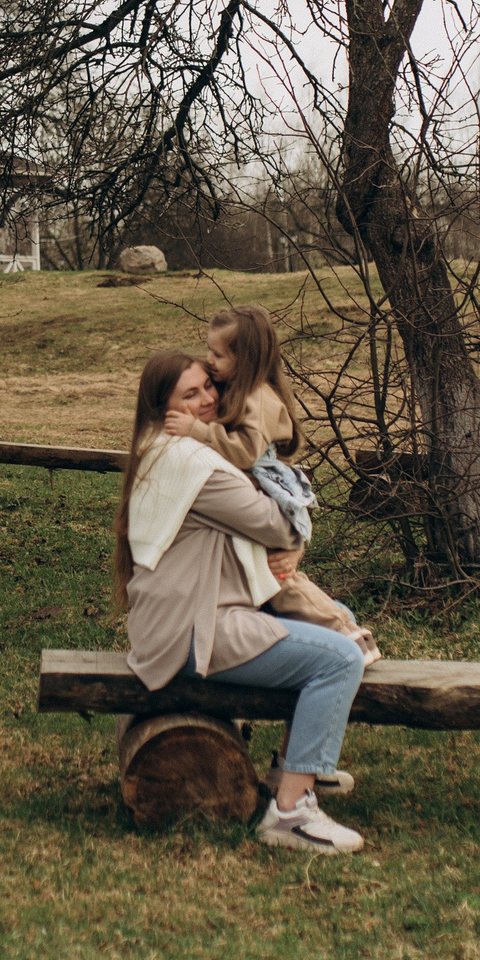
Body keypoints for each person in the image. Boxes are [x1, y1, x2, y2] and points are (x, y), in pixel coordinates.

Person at [115, 348, 369, 854]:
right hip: (195, 629)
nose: (208, 399)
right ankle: (291, 815)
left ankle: (293, 769)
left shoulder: (165, 449)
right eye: (190, 395)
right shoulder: (193, 464)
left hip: (182, 621)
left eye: (209, 385)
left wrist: (287, 545)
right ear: (163, 407)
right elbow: (280, 523)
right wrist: (291, 540)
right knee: (340, 658)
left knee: (333, 630)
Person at [162, 304, 378, 662]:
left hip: (267, 483)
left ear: (245, 359)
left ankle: (345, 633)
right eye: (209, 351)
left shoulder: (257, 396)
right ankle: (336, 631)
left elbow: (246, 452)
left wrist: (197, 430)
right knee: (273, 574)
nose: (209, 360)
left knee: (280, 577)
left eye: (218, 354)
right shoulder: (239, 388)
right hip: (260, 482)